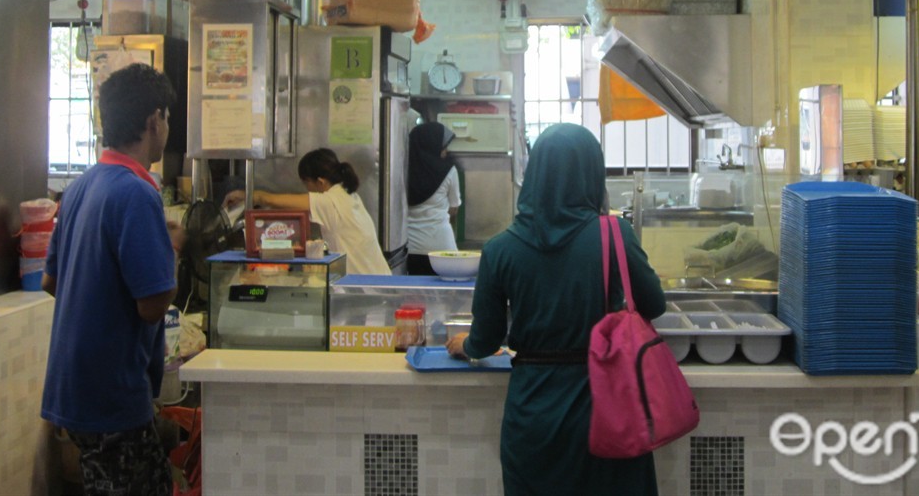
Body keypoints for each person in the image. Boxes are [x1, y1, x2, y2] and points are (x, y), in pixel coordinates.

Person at [446, 123, 666, 496]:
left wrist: (463, 345)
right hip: (608, 405)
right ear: (593, 174)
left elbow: (485, 342)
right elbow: (655, 305)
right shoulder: (614, 234)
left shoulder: (500, 249)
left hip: (533, 415)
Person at [40, 62, 177, 496]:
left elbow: (50, 280)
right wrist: (171, 250)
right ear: (154, 120)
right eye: (168, 118)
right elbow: (153, 303)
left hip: (73, 388)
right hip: (112, 396)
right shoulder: (136, 193)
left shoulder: (82, 186)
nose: (167, 126)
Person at [224, 148, 392, 275]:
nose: (306, 189)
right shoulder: (347, 194)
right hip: (376, 279)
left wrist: (244, 195)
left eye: (307, 183)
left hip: (365, 286)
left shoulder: (329, 202)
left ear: (320, 182)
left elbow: (269, 199)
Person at [406, 122, 461, 275]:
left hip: (410, 248)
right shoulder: (449, 170)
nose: (446, 150)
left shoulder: (402, 170)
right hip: (442, 246)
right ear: (432, 144)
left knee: (414, 296)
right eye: (444, 146)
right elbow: (454, 208)